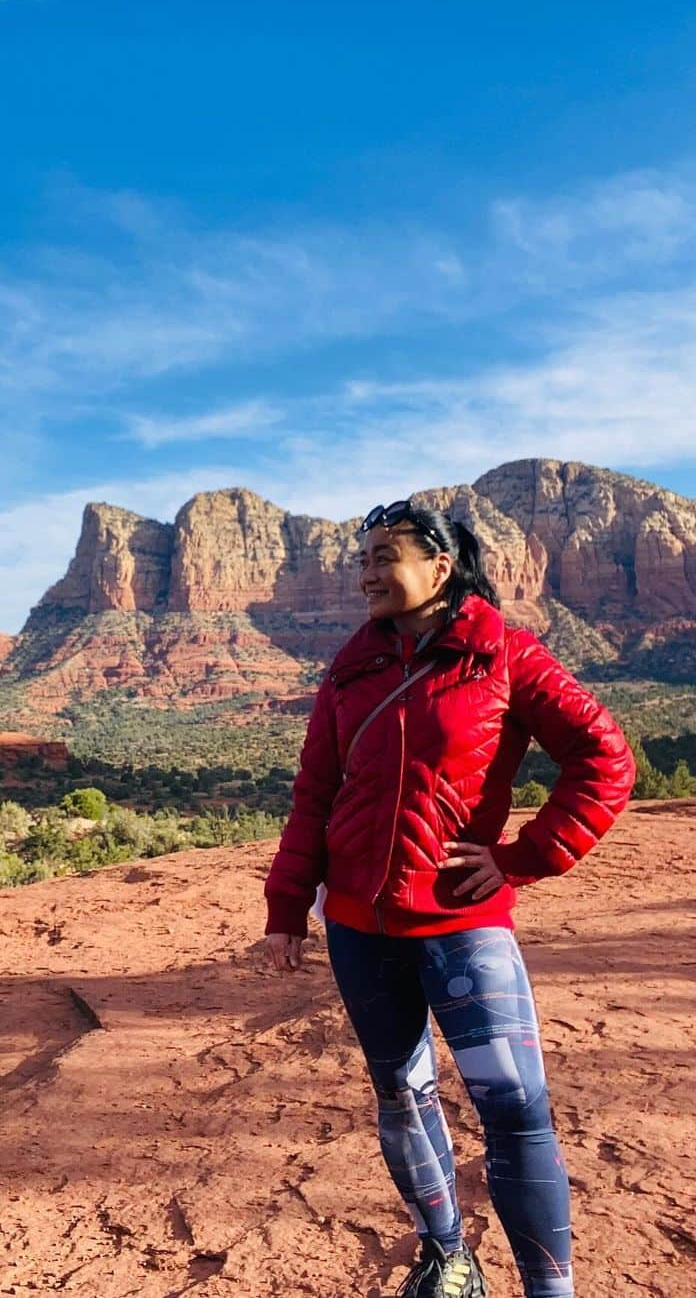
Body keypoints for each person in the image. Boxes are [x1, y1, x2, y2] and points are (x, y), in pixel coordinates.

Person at [263, 499, 636, 1298]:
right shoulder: (351, 665)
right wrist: (288, 906)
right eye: (362, 558)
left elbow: (604, 759)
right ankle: (448, 1257)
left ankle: (550, 1287)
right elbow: (316, 792)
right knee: (400, 1091)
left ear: (441, 567)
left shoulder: (504, 654)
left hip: (464, 924)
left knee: (514, 1108)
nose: (367, 572)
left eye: (385, 556)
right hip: (360, 928)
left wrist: (522, 859)